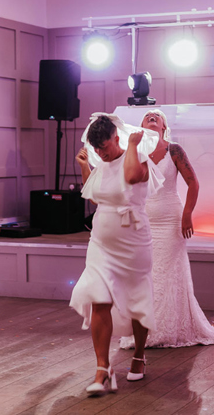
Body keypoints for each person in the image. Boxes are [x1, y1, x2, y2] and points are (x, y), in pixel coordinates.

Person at [70, 113, 163, 396]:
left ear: (116, 138)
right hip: (101, 243)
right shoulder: (101, 162)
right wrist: (87, 166)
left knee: (136, 300)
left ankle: (138, 355)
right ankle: (102, 368)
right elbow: (96, 194)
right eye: (96, 148)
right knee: (98, 297)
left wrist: (133, 146)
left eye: (104, 146)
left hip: (133, 243)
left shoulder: (137, 158)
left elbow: (132, 176)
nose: (100, 152)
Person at [120, 109, 214, 349]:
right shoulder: (135, 152)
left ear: (164, 126)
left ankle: (169, 328)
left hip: (170, 220)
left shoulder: (173, 150)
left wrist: (187, 214)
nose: (152, 116)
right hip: (142, 222)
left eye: (157, 116)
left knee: (166, 272)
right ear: (141, 126)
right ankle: (144, 329)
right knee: (146, 275)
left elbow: (193, 182)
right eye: (148, 116)